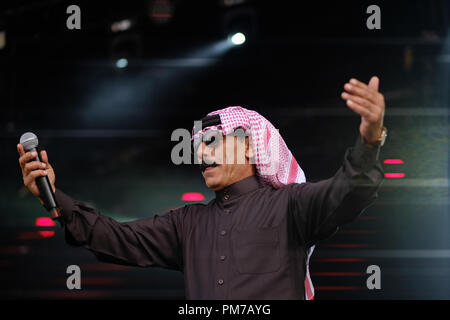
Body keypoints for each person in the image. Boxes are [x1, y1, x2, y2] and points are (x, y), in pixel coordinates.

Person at [17, 77, 386, 300]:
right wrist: (54, 195)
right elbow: (112, 237)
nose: (202, 152)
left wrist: (370, 140)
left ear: (246, 145)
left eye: (212, 141)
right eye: (198, 144)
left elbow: (349, 192)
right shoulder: (187, 223)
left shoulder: (291, 207)